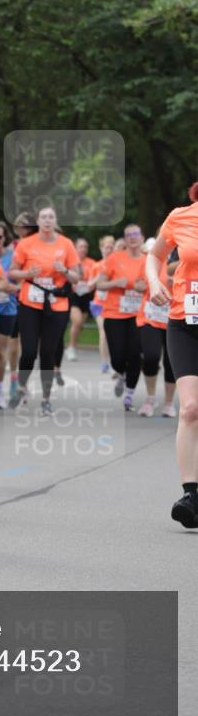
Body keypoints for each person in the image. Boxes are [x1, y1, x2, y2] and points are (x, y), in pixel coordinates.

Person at [146, 183, 198, 528]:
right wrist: (154, 281)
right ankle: (192, 494)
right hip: (185, 322)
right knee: (191, 408)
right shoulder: (181, 217)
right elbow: (155, 255)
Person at [8, 207, 79, 414]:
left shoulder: (66, 244)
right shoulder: (26, 243)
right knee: (29, 350)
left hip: (56, 303)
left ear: (55, 221)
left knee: (47, 352)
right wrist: (27, 272)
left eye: (51, 217)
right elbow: (12, 272)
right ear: (38, 222)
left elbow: (76, 277)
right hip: (30, 301)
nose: (47, 221)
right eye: (43, 217)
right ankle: (21, 387)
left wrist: (64, 270)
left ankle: (46, 398)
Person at [97, 224, 146, 411]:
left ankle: (129, 394)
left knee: (135, 355)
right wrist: (116, 282)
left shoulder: (148, 260)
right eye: (128, 235)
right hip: (114, 313)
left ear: (142, 237)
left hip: (139, 315)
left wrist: (145, 288)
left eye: (136, 234)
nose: (132, 237)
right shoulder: (114, 259)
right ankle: (122, 373)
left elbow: (156, 285)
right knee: (117, 357)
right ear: (124, 240)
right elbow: (100, 284)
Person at [136, 236, 176, 418]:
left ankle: (169, 402)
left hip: (174, 318)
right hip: (149, 317)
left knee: (171, 363)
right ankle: (151, 398)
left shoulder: (184, 260)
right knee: (151, 356)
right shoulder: (150, 258)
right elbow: (137, 281)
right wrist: (142, 285)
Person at [0, 222, 19, 409]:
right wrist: (0, 286)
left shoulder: (12, 257)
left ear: (5, 238)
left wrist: (8, 287)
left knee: (0, 354)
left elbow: (19, 285)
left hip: (7, 309)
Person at [65, 238, 97, 361]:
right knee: (77, 321)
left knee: (80, 325)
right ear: (75, 248)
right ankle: (71, 347)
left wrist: (90, 285)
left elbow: (95, 278)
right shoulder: (72, 262)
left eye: (85, 247)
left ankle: (72, 346)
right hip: (74, 295)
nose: (83, 249)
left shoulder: (91, 263)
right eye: (81, 246)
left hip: (86, 295)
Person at [88, 235, 115, 373]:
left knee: (115, 334)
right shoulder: (96, 266)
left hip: (114, 305)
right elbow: (88, 286)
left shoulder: (117, 265)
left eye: (111, 247)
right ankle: (105, 362)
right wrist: (98, 279)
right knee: (104, 332)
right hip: (99, 304)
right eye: (106, 247)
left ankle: (115, 361)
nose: (108, 250)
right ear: (101, 249)